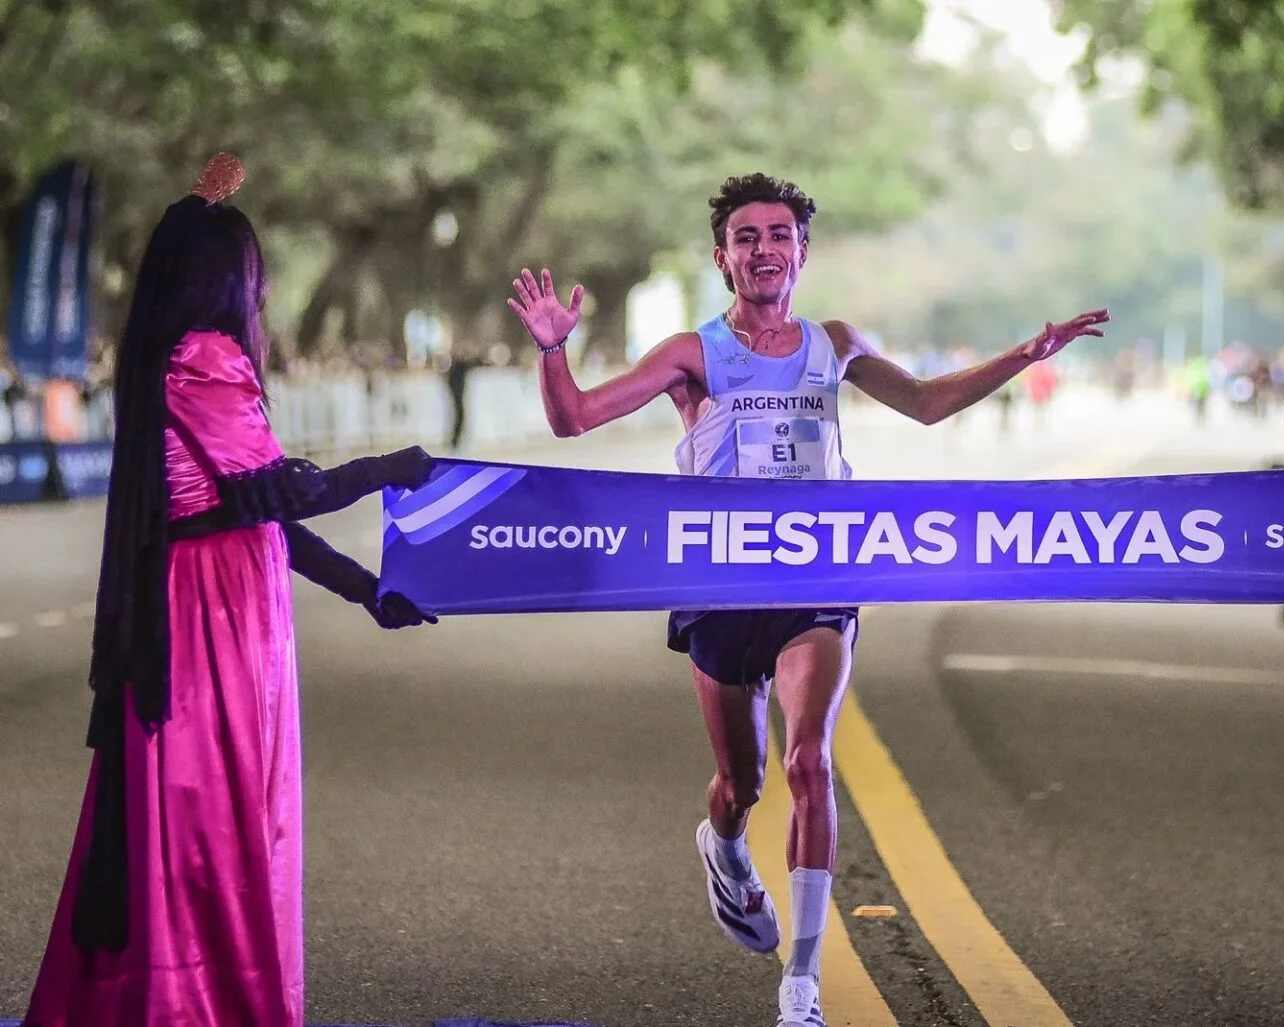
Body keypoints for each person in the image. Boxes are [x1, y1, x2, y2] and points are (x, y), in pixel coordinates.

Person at [507, 171, 1106, 1026]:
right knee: (742, 782)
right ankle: (723, 842)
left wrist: (1025, 354)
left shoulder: (836, 344)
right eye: (746, 237)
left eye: (779, 235)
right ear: (723, 258)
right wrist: (551, 347)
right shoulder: (692, 353)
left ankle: (801, 981)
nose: (764, 249)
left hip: (816, 583)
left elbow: (929, 404)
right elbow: (573, 420)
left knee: (809, 761)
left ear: (802, 252)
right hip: (719, 587)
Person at [23, 153, 438, 1027]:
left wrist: (366, 587)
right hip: (212, 620)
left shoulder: (168, 356)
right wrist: (393, 470)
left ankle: (171, 995)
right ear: (226, 278)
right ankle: (201, 1003)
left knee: (187, 819)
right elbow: (292, 494)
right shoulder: (205, 359)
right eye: (254, 272)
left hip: (215, 596)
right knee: (215, 821)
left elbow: (262, 515)